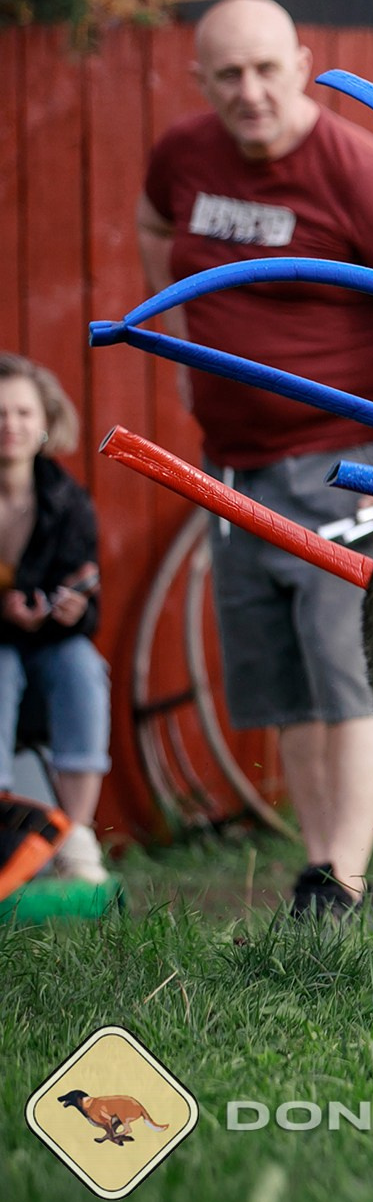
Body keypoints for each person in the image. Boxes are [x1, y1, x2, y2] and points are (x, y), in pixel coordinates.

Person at [137, 0, 373, 917]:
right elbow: (153, 234)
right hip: (236, 468)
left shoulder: (358, 172)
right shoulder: (182, 157)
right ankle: (318, 865)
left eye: (266, 69)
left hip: (344, 465)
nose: (250, 92)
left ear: (302, 61)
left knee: (347, 677)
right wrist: (177, 350)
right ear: (200, 80)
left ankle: (346, 882)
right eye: (228, 75)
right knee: (283, 687)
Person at [0, 355, 112, 884]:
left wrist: (73, 609)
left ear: (43, 422)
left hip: (48, 644)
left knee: (82, 666)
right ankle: (4, 827)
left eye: (22, 412)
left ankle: (76, 833)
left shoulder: (67, 499)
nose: (10, 425)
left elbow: (89, 604)